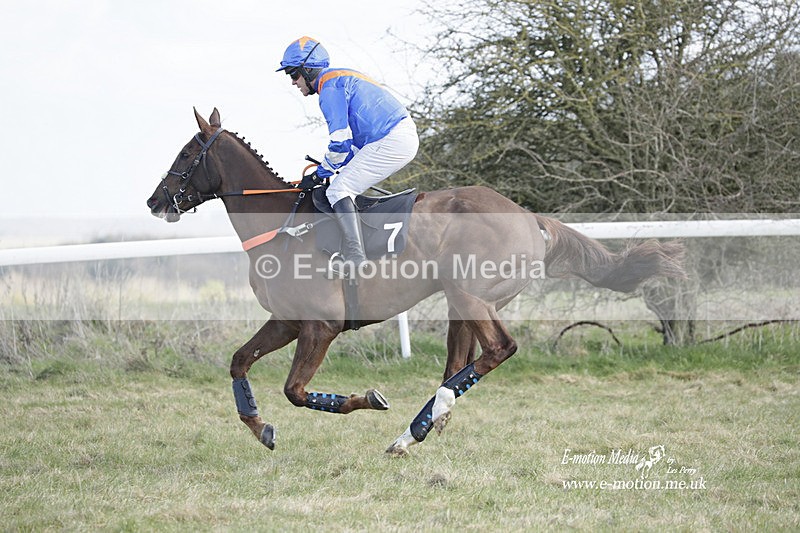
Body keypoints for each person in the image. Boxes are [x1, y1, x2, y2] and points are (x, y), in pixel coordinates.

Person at [277, 36, 419, 270]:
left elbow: (340, 142)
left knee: (338, 190)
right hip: (389, 137)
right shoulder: (336, 79)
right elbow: (350, 146)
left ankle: (355, 256)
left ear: (308, 70)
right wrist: (328, 168)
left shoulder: (329, 89)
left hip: (391, 138)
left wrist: (320, 173)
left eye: (293, 74)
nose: (293, 82)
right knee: (339, 183)